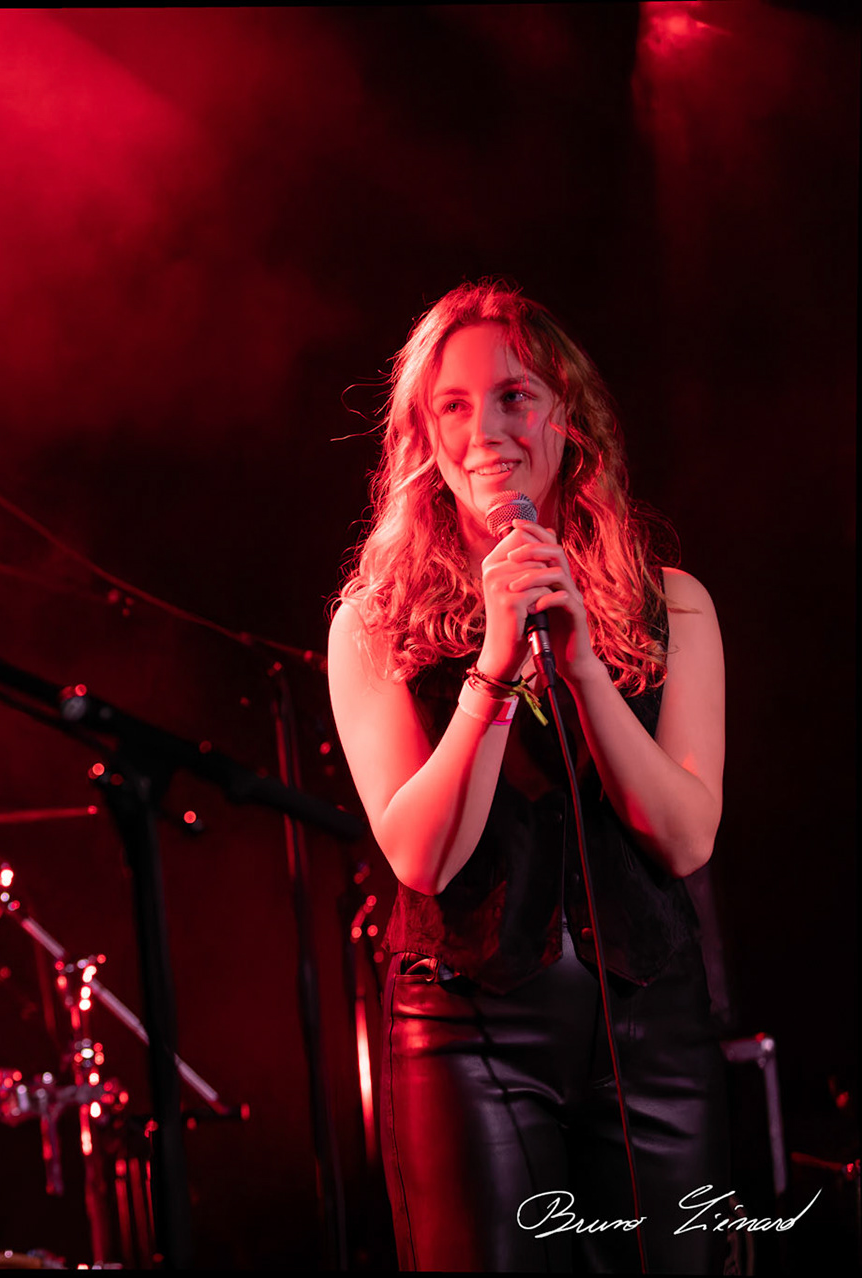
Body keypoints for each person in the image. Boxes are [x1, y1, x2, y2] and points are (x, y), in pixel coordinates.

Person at [326, 280, 728, 1271]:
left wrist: (584, 663)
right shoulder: (376, 622)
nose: (485, 431)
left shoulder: (671, 604)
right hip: (471, 1039)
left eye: (513, 396)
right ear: (422, 435)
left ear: (569, 416)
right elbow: (424, 855)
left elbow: (684, 837)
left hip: (654, 1033)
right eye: (452, 406)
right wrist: (496, 672)